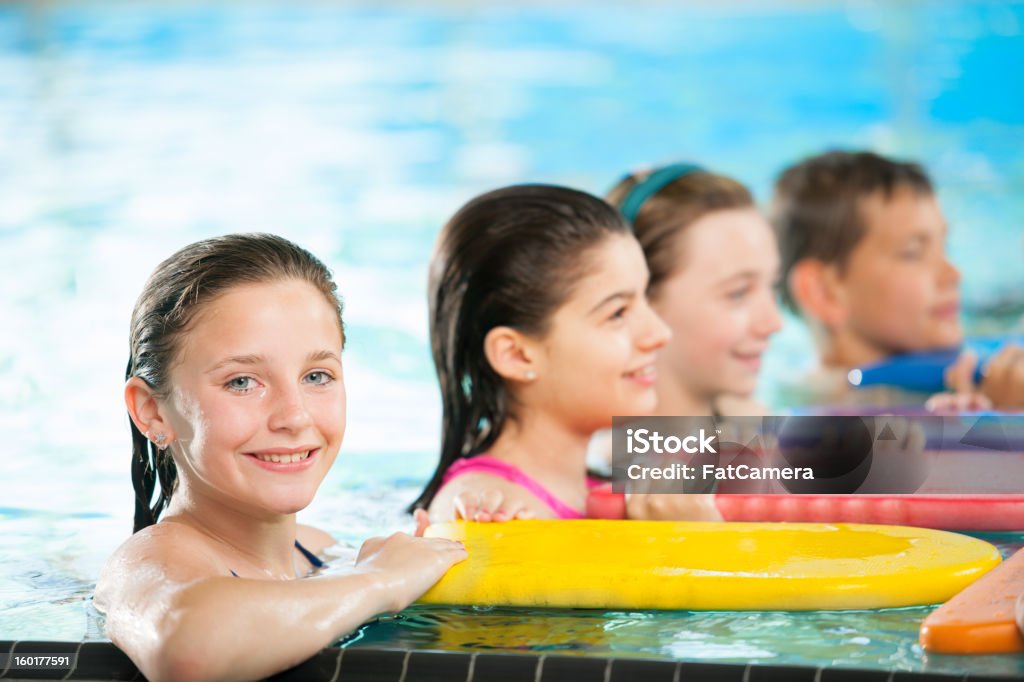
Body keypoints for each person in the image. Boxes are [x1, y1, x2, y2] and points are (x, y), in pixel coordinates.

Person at [94, 233, 466, 682]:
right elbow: (187, 646)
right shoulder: (148, 562)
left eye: (316, 375)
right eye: (242, 382)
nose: (294, 416)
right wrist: (381, 583)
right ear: (152, 411)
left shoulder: (319, 550)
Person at [408, 185, 671, 523]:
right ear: (517, 355)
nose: (660, 334)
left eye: (645, 298)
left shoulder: (596, 488)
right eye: (617, 313)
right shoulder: (487, 511)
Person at [769, 149, 1024, 410]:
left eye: (944, 247)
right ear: (825, 292)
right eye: (913, 253)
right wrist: (1001, 418)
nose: (954, 274)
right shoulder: (827, 418)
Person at [601, 163, 783, 519]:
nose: (773, 322)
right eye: (738, 293)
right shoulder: (599, 465)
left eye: (772, 286)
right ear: (641, 299)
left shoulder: (757, 430)